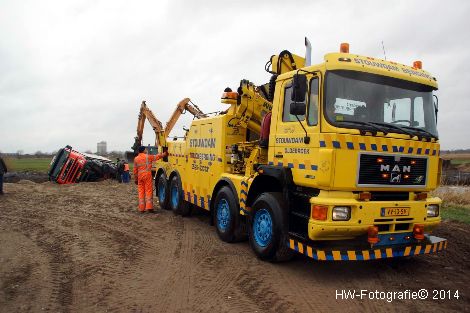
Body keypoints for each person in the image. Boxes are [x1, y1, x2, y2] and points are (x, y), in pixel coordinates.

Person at [133, 146, 167, 213]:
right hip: (147, 175)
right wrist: (165, 153)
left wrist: (135, 179)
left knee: (141, 192)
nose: (146, 150)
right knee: (148, 191)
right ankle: (149, 207)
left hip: (140, 176)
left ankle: (141, 208)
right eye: (145, 149)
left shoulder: (136, 159)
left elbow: (135, 170)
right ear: (143, 150)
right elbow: (157, 157)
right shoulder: (147, 156)